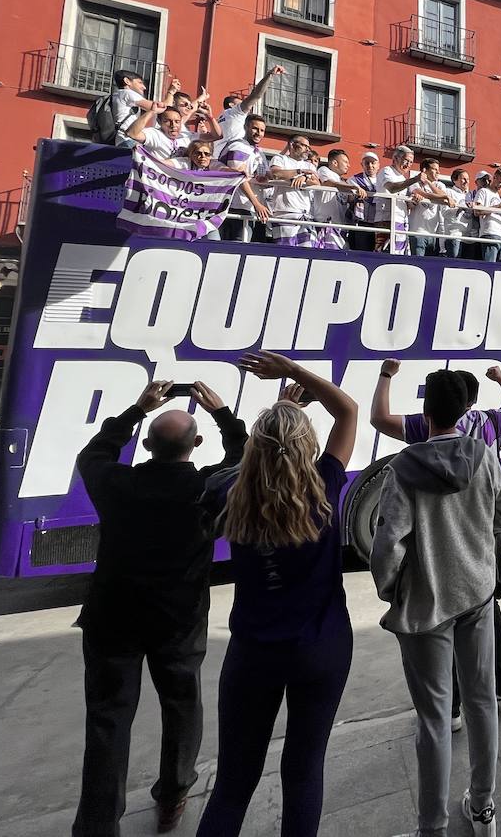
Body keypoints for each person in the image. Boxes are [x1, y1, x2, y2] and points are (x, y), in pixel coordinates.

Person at [72, 380, 247, 837]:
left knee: (108, 718)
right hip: (179, 619)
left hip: (112, 616)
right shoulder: (205, 489)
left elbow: (92, 454)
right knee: (182, 704)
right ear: (198, 444)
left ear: (146, 446)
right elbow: (245, 458)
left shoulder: (116, 483)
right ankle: (172, 795)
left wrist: (135, 410)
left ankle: (96, 824)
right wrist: (224, 413)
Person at [196, 353, 358, 837]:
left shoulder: (229, 494)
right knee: (304, 769)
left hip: (252, 654)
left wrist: (276, 418)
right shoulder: (324, 488)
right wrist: (293, 372)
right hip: (321, 648)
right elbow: (348, 411)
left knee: (233, 783)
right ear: (305, 447)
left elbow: (255, 461)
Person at [372, 369, 501, 837]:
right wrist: (473, 546)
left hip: (423, 609)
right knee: (481, 703)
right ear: (464, 411)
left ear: (426, 412)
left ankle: (432, 827)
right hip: (476, 597)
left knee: (435, 720)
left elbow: (388, 546)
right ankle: (483, 807)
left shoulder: (402, 468)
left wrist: (391, 588)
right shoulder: (482, 456)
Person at [216, 113, 272, 243]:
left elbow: (269, 176)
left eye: (262, 130)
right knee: (236, 248)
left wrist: (264, 179)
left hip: (247, 207)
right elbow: (238, 177)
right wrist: (257, 204)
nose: (259, 133)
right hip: (235, 206)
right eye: (255, 129)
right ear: (246, 127)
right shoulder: (239, 146)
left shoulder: (258, 151)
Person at [265, 136, 323, 247]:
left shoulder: (309, 165)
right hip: (284, 215)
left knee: (307, 255)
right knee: (284, 253)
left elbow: (317, 182)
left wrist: (305, 177)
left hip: (306, 216)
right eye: (304, 146)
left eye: (308, 147)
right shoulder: (280, 159)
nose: (307, 149)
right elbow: (276, 173)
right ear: (292, 144)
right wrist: (299, 172)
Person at [378, 147, 423, 254]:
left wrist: (415, 201)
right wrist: (415, 179)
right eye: (406, 160)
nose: (408, 164)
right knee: (385, 253)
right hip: (387, 219)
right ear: (396, 158)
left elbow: (408, 205)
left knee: (399, 254)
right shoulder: (386, 171)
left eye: (411, 162)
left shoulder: (403, 178)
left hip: (402, 221)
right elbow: (392, 188)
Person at [407, 158, 450, 257]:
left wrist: (428, 182)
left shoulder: (440, 184)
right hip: (417, 232)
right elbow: (419, 192)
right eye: (435, 169)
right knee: (418, 265)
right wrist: (441, 197)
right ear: (424, 170)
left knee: (430, 267)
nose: (438, 172)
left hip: (434, 234)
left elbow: (444, 196)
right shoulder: (415, 181)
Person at [313, 149, 354, 251]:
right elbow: (327, 183)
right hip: (325, 226)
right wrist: (353, 187)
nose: (348, 165)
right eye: (345, 162)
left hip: (339, 228)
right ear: (334, 163)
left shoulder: (342, 182)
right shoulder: (324, 170)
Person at [470, 169, 501, 263]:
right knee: (490, 266)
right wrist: (498, 207)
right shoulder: (483, 191)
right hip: (489, 234)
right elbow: (477, 211)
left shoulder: (499, 197)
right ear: (494, 178)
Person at [348, 151, 385, 252]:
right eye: (367, 163)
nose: (370, 165)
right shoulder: (354, 180)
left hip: (378, 223)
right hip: (361, 223)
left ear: (378, 165)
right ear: (362, 165)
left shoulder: (383, 181)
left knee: (377, 254)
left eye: (373, 163)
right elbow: (349, 197)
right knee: (361, 252)